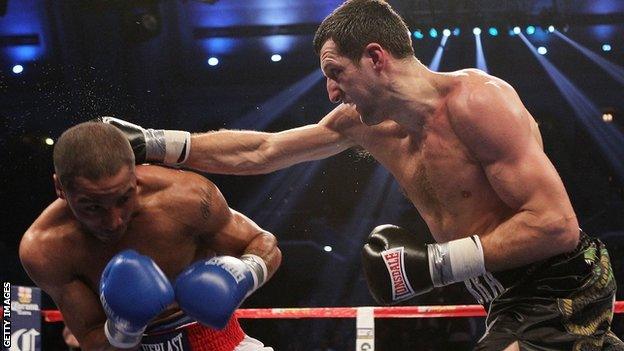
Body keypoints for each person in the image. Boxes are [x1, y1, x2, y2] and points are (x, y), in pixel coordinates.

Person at [102, 0, 623, 349]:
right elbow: (262, 151)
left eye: (336, 73)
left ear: (375, 58)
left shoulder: (478, 103)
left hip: (560, 283)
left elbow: (555, 224)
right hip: (500, 294)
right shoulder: (365, 125)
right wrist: (155, 143)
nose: (331, 92)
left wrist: (437, 264)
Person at [19, 122, 281, 350]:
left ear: (135, 176)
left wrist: (245, 274)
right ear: (60, 188)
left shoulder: (185, 196)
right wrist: (124, 328)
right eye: (93, 207)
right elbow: (92, 341)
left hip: (223, 344)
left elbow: (264, 244)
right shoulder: (46, 248)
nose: (114, 220)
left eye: (124, 198)